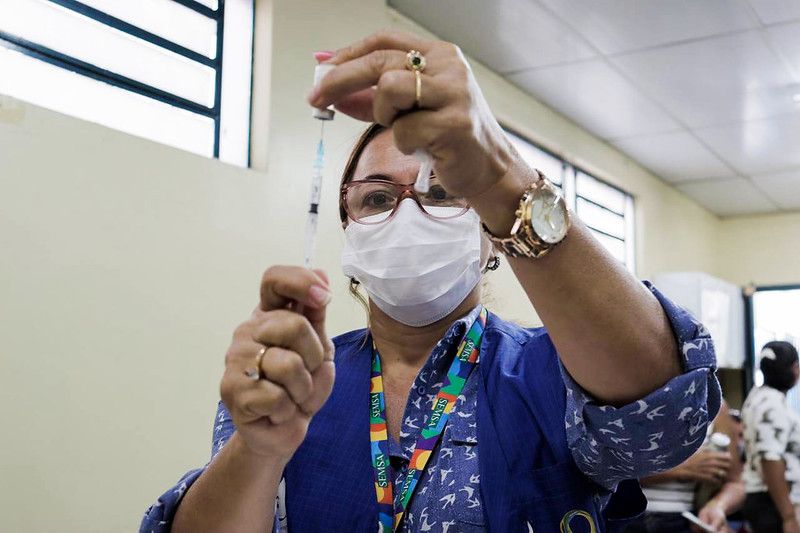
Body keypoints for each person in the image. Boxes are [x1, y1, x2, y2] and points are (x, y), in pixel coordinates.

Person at [139, 31, 720, 532]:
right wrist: (258, 450)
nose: (407, 214)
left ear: (489, 233)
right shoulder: (295, 382)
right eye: (377, 197)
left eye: (442, 193)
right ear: (350, 233)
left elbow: (668, 419)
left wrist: (498, 173)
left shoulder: (555, 374)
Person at [624, 401, 744, 533]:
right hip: (623, 517)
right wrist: (682, 468)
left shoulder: (716, 404)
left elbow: (736, 483)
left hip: (686, 520)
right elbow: (605, 473)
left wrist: (717, 506)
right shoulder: (625, 394)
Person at [742, 341, 800, 533]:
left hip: (768, 500)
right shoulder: (771, 403)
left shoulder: (757, 397)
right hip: (773, 503)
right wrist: (789, 516)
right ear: (793, 369)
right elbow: (770, 458)